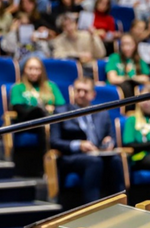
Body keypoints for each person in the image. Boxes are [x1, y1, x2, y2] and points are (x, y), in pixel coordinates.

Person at [49, 77, 125, 207]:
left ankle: (121, 205)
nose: (81, 94)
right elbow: (54, 141)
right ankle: (92, 208)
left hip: (98, 153)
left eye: (85, 91)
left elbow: (110, 137)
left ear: (93, 94)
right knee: (94, 162)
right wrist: (79, 145)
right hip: (71, 157)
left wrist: (109, 142)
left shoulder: (102, 113)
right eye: (78, 90)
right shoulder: (61, 112)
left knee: (116, 160)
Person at [9, 56, 66, 177]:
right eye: (30, 68)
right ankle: (44, 167)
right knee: (38, 112)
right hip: (27, 122)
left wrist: (52, 109)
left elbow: (62, 106)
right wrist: (43, 109)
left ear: (42, 71)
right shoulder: (18, 87)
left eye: (37, 69)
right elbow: (18, 108)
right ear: (25, 70)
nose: (33, 72)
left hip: (51, 122)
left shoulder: (51, 86)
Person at [50, 13, 107, 78]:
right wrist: (78, 56)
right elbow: (57, 55)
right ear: (62, 29)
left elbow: (101, 54)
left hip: (89, 67)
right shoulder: (58, 40)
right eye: (65, 26)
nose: (69, 28)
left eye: (71, 24)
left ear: (76, 24)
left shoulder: (87, 35)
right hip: (70, 69)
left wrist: (94, 37)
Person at [105, 33, 150, 98]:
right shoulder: (114, 57)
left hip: (135, 88)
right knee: (127, 85)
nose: (126, 48)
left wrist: (133, 79)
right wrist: (132, 78)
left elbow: (146, 78)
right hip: (119, 90)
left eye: (129, 44)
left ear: (135, 45)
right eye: (123, 45)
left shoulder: (139, 59)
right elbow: (112, 79)